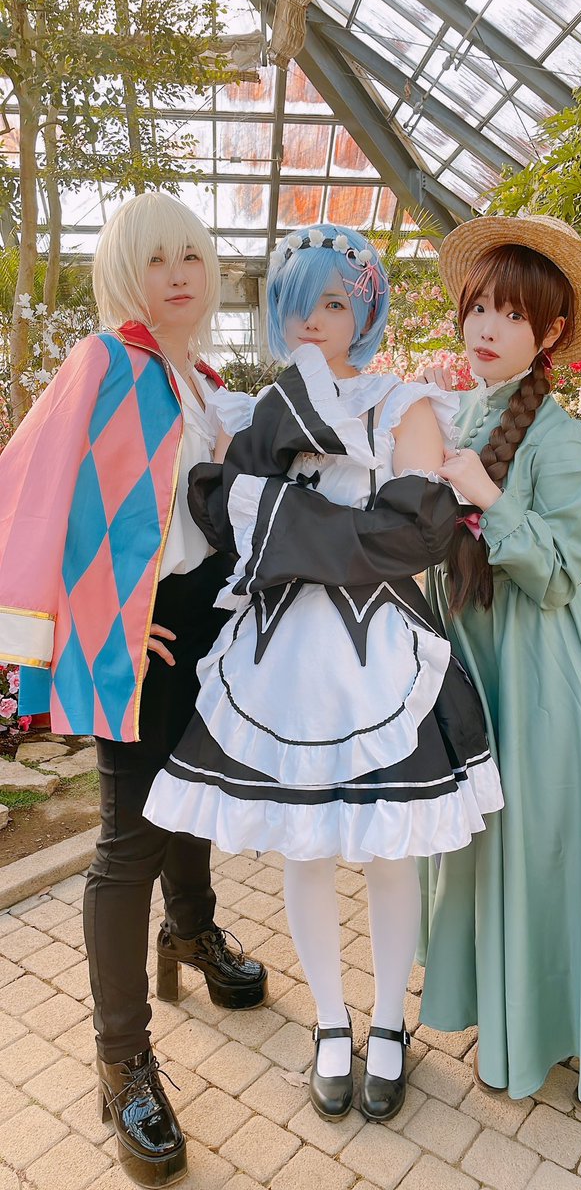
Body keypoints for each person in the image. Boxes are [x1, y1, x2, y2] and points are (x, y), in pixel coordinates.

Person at [143, 223, 503, 1124]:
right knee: (303, 849)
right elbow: (213, 509)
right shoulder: (256, 411)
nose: (313, 321)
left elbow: (412, 536)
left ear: (366, 312)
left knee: (386, 851)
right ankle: (332, 1024)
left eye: (334, 303)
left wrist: (271, 513)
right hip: (279, 660)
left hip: (378, 657)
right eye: (297, 303)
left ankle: (388, 1026)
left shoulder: (403, 405)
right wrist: (301, 521)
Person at [0, 193, 268, 1187]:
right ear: (123, 273)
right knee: (127, 843)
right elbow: (34, 496)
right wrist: (101, 623)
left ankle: (190, 931)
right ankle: (122, 1064)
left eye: (190, 254)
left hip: (206, 621)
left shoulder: (204, 381)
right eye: (155, 259)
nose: (179, 273)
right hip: (141, 636)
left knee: (196, 796)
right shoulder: (102, 363)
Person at [416, 213, 581, 1119]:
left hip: (544, 681)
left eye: (512, 314)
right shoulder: (458, 414)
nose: (485, 327)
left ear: (551, 331)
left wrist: (485, 497)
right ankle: (520, 1028)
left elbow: (564, 573)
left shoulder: (563, 437)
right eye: (478, 307)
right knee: (495, 851)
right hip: (477, 671)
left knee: (558, 859)